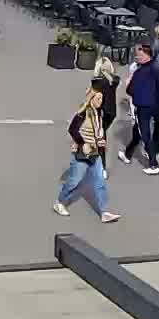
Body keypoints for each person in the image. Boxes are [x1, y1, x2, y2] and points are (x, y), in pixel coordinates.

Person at [55, 83, 120, 223]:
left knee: (99, 182)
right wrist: (83, 143)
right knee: (74, 181)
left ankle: (104, 212)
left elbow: (97, 131)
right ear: (91, 99)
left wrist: (100, 141)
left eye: (101, 99)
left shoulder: (98, 113)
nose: (100, 101)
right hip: (81, 154)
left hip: (94, 153)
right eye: (98, 99)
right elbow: (72, 130)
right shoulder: (83, 113)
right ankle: (59, 202)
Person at [119, 43, 159, 174]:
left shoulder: (140, 72)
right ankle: (127, 154)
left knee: (144, 133)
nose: (137, 57)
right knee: (137, 130)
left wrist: (130, 84)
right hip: (152, 104)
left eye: (139, 54)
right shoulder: (155, 68)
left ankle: (154, 164)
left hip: (142, 105)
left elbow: (130, 90)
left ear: (147, 55)